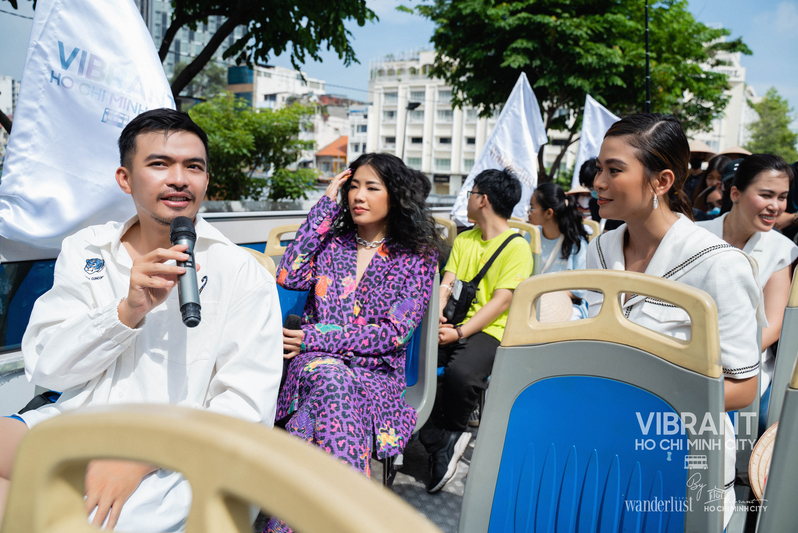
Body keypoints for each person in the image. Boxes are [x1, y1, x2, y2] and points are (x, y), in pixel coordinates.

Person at [0, 109, 283, 530]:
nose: (179, 178)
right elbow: (48, 368)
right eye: (159, 164)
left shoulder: (239, 272)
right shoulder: (88, 250)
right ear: (125, 178)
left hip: (177, 452)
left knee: (74, 520)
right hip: (80, 421)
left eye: (194, 166)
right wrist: (125, 313)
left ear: (206, 180)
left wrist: (142, 455)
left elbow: (245, 407)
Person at [588, 113, 764, 529]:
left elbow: (743, 387)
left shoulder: (719, 265)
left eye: (614, 170)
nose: (598, 182)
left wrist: (646, 404)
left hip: (678, 463)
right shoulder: (596, 252)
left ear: (662, 181)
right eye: (599, 168)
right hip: (598, 446)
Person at [267, 153, 440, 530]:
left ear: (395, 195)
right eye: (353, 187)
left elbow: (393, 333)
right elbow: (289, 272)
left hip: (375, 375)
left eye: (371, 188)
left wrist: (315, 335)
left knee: (318, 414)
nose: (358, 196)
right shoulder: (332, 244)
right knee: (332, 380)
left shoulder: (417, 257)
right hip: (312, 367)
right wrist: (323, 208)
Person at [419, 168, 533, 494]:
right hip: (454, 321)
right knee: (415, 360)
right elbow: (448, 282)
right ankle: (439, 438)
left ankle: (449, 432)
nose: (467, 199)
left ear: (482, 199)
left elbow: (501, 302)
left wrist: (460, 332)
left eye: (470, 193)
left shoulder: (517, 248)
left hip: (492, 329)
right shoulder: (465, 239)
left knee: (461, 373)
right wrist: (438, 315)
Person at [697, 154, 798, 433]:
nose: (775, 206)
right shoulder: (694, 236)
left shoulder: (782, 250)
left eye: (782, 197)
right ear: (735, 193)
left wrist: (724, 357)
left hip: (745, 364)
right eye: (766, 194)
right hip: (688, 353)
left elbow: (774, 323)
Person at [527, 182, 589, 319]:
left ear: (548, 213)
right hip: (531, 299)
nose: (528, 212)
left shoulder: (577, 244)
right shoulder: (530, 235)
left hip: (568, 305)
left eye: (532, 207)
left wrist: (549, 295)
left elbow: (581, 290)